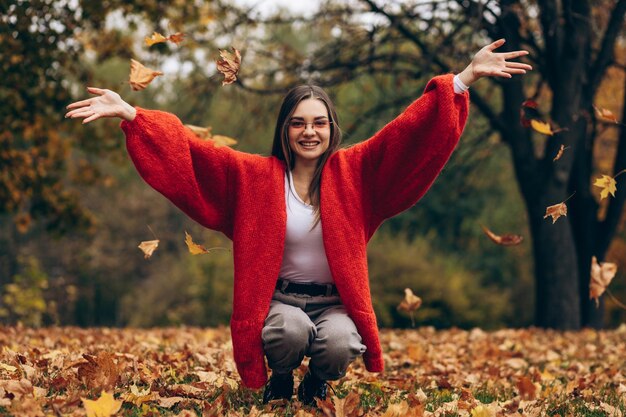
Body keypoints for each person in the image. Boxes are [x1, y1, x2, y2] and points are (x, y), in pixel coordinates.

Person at [66, 39, 531, 405]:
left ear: (331, 129)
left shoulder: (355, 173)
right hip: (282, 305)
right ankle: (283, 378)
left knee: (340, 342)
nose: (310, 131)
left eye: (319, 123)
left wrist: (462, 80)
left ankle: (318, 385)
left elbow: (404, 136)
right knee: (289, 332)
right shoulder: (254, 177)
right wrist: (131, 114)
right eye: (298, 123)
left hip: (334, 307)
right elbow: (194, 154)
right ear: (285, 130)